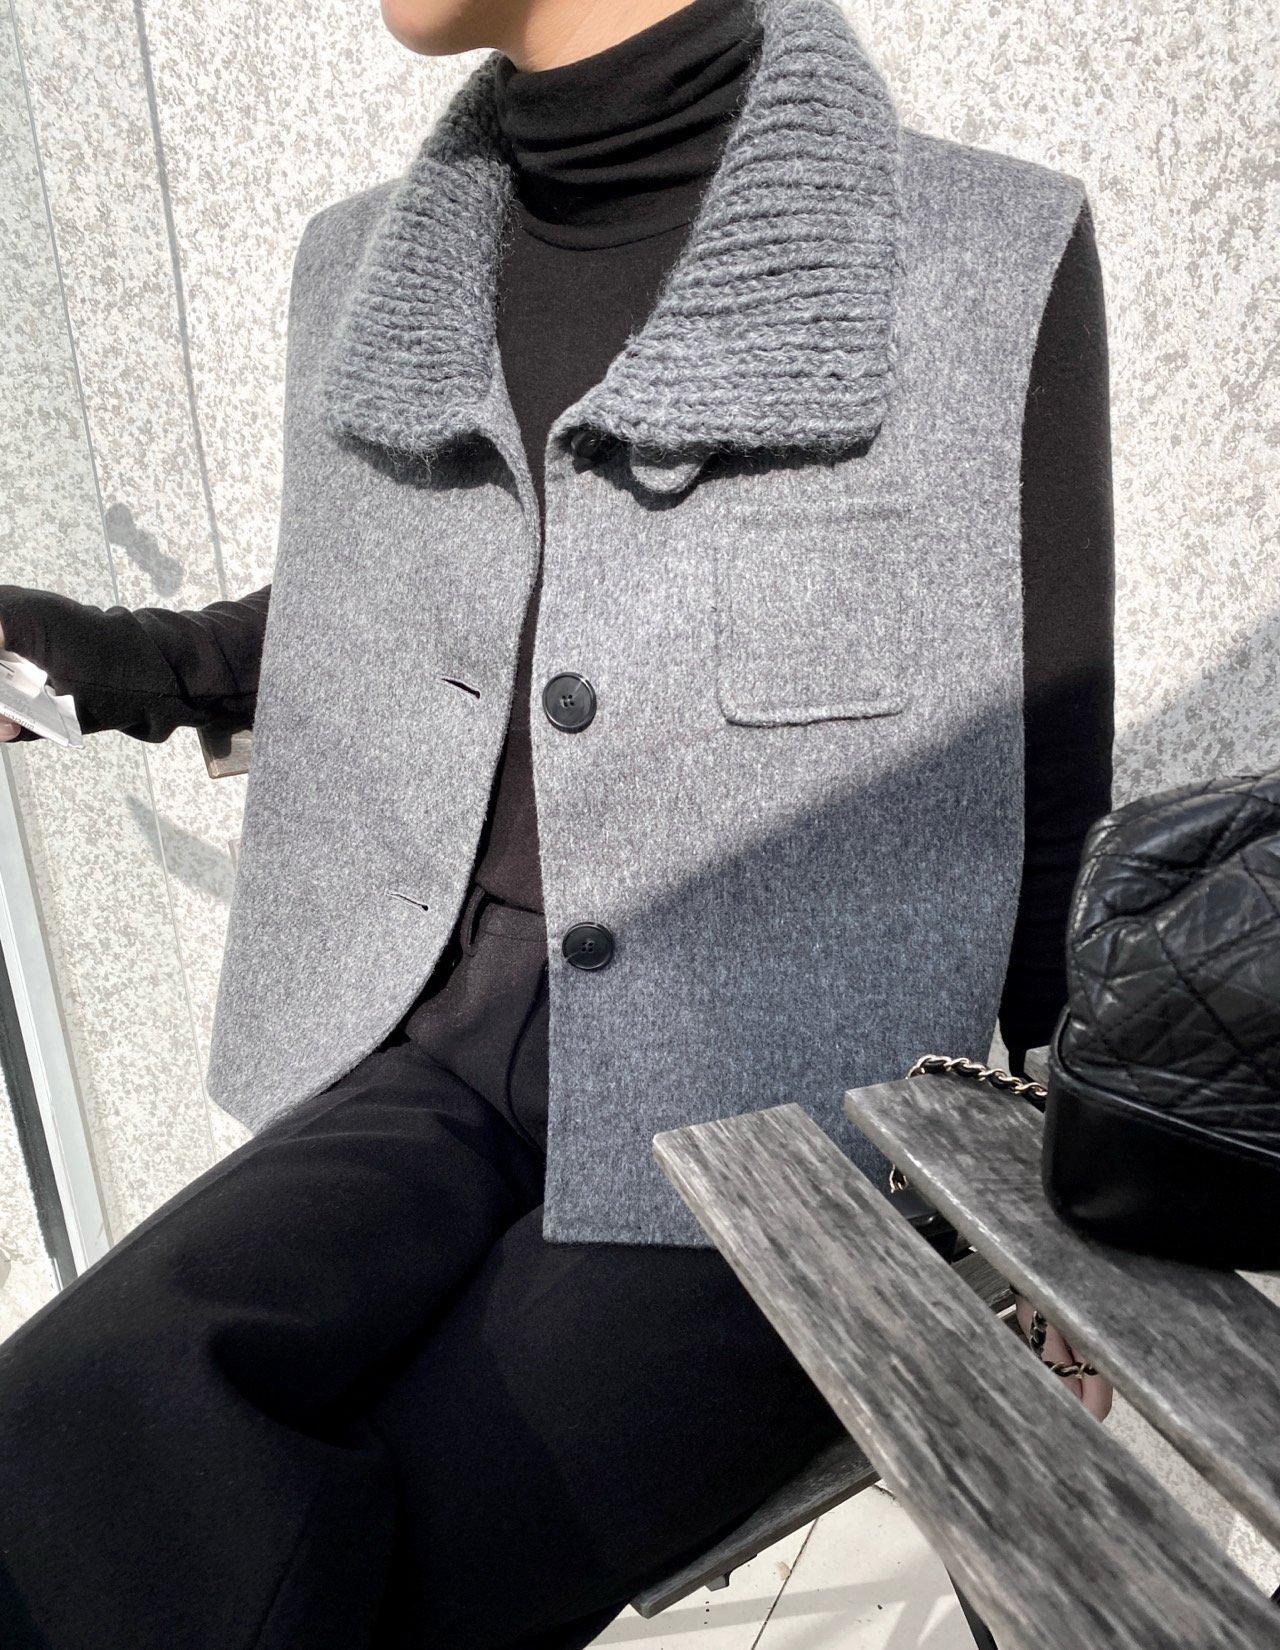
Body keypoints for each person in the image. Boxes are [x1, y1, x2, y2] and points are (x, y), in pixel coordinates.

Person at [0, 0, 1115, 1645]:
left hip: (781, 1096)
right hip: (432, 1029)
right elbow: (402, 611)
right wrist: (105, 658)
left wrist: (1059, 1209)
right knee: (71, 1433)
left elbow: (1045, 767)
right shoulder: (369, 270)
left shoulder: (983, 252)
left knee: (390, 1564)